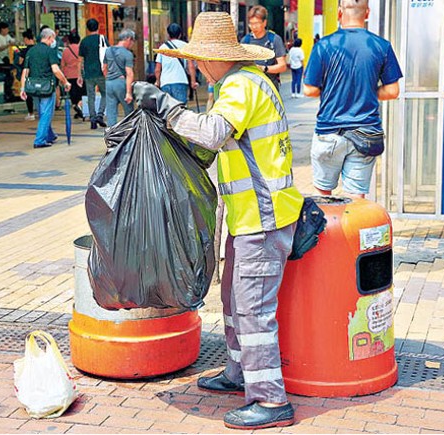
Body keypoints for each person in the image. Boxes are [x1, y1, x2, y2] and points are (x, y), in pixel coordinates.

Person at [134, 11, 303, 430]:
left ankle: (269, 399)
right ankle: (237, 372)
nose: (194, 66)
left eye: (196, 59)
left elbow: (211, 134)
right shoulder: (238, 84)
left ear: (209, 58)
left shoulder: (242, 86)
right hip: (249, 218)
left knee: (252, 308)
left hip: (264, 219)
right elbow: (220, 145)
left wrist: (166, 107)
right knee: (232, 298)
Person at [303, 0, 402, 199]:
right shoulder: (381, 46)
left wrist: (334, 91)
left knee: (323, 197)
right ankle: (353, 231)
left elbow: (309, 89)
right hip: (365, 133)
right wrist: (366, 92)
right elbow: (392, 91)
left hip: (328, 132)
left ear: (340, 13)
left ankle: (325, 231)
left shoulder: (324, 45)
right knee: (356, 200)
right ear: (367, 13)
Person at [20, 27, 72, 149]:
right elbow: (55, 70)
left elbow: (25, 72)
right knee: (46, 114)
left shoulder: (31, 51)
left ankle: (50, 135)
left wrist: (23, 88)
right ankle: (40, 140)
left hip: (33, 88)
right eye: (53, 39)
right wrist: (65, 82)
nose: (53, 41)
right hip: (47, 87)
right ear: (49, 38)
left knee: (43, 112)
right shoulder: (50, 51)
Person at [241, 5, 287, 92]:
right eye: (251, 23)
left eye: (257, 23)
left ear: (264, 22)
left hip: (270, 88)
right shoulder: (245, 41)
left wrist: (264, 68)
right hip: (250, 88)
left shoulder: (274, 40)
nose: (253, 27)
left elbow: (283, 66)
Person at [154, 23, 198, 103]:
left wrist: (158, 81)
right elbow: (190, 65)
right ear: (180, 34)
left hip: (165, 82)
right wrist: (193, 81)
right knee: (180, 111)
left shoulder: (162, 48)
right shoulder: (185, 46)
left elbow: (157, 69)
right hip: (180, 81)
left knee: (167, 110)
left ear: (168, 34)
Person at [78, 18, 107, 129]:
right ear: (98, 27)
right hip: (101, 72)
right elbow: (108, 55)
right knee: (105, 93)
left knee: (91, 97)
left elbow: (79, 60)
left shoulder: (84, 41)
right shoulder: (102, 39)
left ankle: (93, 118)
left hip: (88, 74)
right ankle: (100, 114)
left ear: (87, 28)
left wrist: (79, 75)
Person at [103, 29, 136, 127]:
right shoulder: (127, 54)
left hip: (109, 83)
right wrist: (129, 93)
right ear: (128, 39)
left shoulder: (108, 51)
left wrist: (108, 78)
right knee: (129, 111)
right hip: (121, 83)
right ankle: (129, 134)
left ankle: (112, 137)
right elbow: (129, 73)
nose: (132, 44)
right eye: (132, 41)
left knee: (111, 112)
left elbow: (104, 68)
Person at [61, 32, 85, 120]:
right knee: (82, 93)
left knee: (73, 94)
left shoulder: (66, 50)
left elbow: (63, 64)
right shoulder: (81, 48)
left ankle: (77, 107)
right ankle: (80, 106)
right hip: (80, 75)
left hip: (69, 75)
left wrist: (63, 77)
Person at [17, 29, 37, 121]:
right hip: (37, 74)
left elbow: (20, 62)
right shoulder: (38, 48)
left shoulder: (24, 51)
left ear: (26, 39)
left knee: (28, 94)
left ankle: (31, 113)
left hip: (27, 74)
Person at [0, 22, 17, 101]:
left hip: (8, 60)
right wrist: (8, 45)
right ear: (2, 29)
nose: (7, 30)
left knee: (10, 78)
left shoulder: (8, 36)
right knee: (5, 78)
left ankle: (10, 93)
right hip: (1, 61)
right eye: (6, 29)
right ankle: (5, 95)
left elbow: (13, 42)